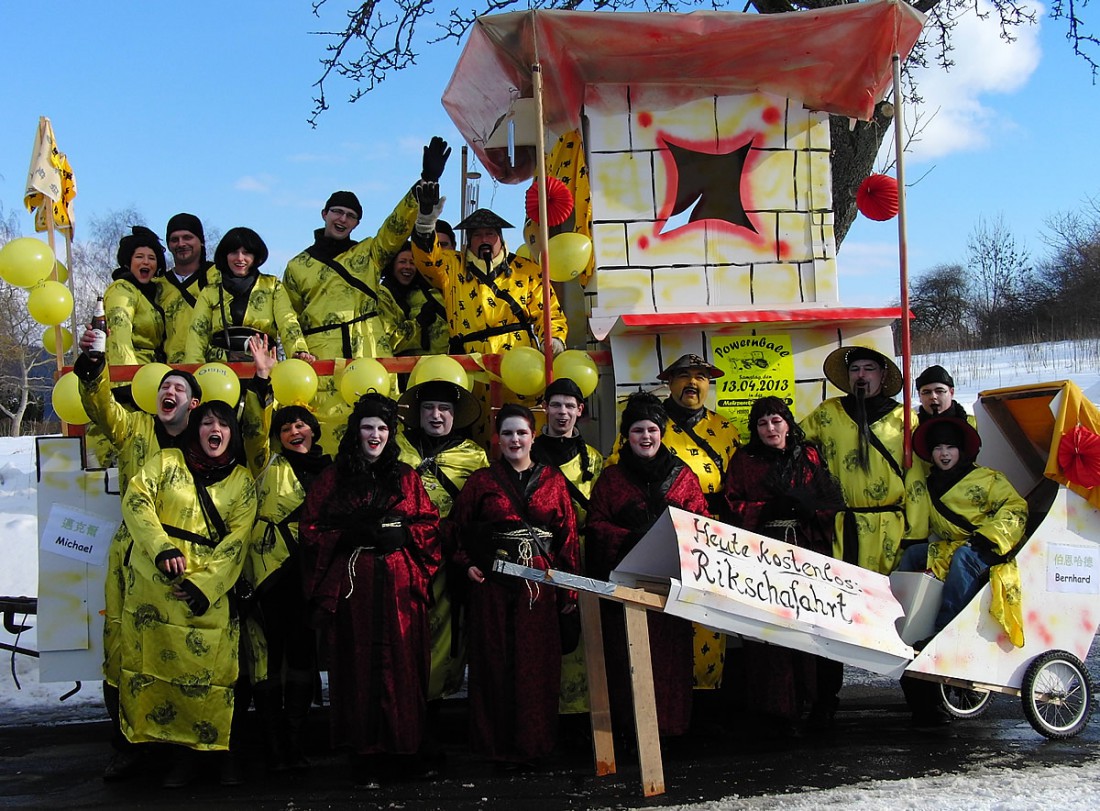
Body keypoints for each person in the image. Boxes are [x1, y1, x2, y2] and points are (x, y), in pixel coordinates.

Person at [74, 341, 203, 781]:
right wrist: (93, 365)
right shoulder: (133, 430)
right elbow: (99, 404)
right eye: (165, 386)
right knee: (123, 650)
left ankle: (184, 747)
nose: (169, 392)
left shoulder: (206, 440)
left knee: (181, 653)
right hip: (131, 558)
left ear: (194, 402)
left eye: (179, 388)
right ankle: (130, 745)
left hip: (185, 560)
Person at [299, 394, 440, 787]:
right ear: (355, 431)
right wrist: (348, 534)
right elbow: (310, 529)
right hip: (353, 590)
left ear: (390, 433)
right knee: (356, 666)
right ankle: (362, 752)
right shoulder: (334, 478)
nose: (374, 435)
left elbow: (430, 524)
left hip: (399, 588)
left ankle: (403, 748)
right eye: (367, 427)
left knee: (403, 667)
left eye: (381, 428)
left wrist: (402, 533)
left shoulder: (407, 477)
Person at [118, 400, 258, 788]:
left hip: (208, 592)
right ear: (195, 429)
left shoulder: (242, 480)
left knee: (215, 674)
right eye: (207, 423)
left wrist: (205, 586)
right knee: (160, 674)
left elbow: (238, 539)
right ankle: (171, 756)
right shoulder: (165, 462)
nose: (216, 430)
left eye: (224, 424)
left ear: (232, 433)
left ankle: (215, 756)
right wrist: (160, 546)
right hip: (156, 582)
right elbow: (136, 501)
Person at [283, 138, 451, 450]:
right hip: (322, 353)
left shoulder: (370, 253)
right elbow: (288, 313)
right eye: (337, 211)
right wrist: (298, 350)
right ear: (324, 213)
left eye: (350, 215)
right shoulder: (297, 266)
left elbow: (396, 227)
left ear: (357, 222)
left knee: (378, 426)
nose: (342, 219)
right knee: (328, 426)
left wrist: (425, 182)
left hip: (370, 347)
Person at [800, 345, 928, 726]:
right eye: (855, 368)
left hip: (890, 530)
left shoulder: (904, 420)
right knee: (830, 616)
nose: (860, 375)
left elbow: (916, 481)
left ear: (882, 376)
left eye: (869, 368)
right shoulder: (828, 415)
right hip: (842, 529)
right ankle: (825, 701)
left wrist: (914, 538)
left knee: (902, 619)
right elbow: (794, 445)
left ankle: (921, 700)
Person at [449, 404, 580, 769]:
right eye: (507, 433)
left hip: (539, 586)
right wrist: (467, 565)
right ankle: (494, 746)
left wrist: (568, 590)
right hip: (493, 583)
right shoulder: (482, 482)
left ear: (533, 436)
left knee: (537, 664)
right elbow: (457, 529)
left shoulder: (553, 481)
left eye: (521, 433)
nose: (514, 440)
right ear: (497, 438)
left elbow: (567, 538)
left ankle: (535, 744)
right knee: (494, 661)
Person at [609, 353, 741, 692]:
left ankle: (706, 698)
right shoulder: (650, 423)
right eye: (684, 376)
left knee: (709, 620)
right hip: (655, 533)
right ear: (669, 382)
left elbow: (738, 485)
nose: (692, 383)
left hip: (709, 535)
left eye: (700, 376)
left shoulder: (726, 429)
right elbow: (619, 470)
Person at [720, 396, 845, 737]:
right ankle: (775, 711)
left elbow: (830, 503)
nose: (770, 429)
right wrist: (766, 509)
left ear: (788, 424)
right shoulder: (744, 461)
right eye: (762, 423)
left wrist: (811, 510)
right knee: (769, 634)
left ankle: (818, 703)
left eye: (776, 421)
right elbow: (732, 504)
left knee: (812, 628)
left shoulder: (808, 456)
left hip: (807, 553)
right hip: (762, 556)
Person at [587, 392, 707, 738]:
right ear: (627, 436)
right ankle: (631, 732)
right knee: (629, 660)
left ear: (662, 432)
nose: (645, 437)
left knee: (669, 661)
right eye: (637, 430)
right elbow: (595, 526)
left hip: (669, 587)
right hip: (626, 586)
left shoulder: (683, 477)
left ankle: (670, 731)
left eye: (652, 429)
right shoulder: (611, 480)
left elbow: (699, 526)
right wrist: (628, 536)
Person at [410, 186, 568, 442]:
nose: (484, 239)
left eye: (490, 234)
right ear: (469, 240)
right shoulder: (452, 266)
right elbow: (428, 259)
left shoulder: (527, 270)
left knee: (522, 428)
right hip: (471, 364)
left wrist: (555, 340)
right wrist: (426, 222)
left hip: (520, 364)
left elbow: (549, 313)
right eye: (478, 234)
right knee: (472, 427)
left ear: (500, 238)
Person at [898, 417, 1027, 727]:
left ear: (961, 451)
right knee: (914, 554)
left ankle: (945, 630)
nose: (944, 454)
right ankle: (901, 623)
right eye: (938, 448)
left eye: (950, 447)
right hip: (956, 546)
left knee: (963, 560)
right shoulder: (927, 485)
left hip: (986, 549)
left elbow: (1016, 507)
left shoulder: (988, 479)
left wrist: (990, 534)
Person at [395, 378, 487, 761]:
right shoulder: (395, 445)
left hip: (448, 565)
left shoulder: (474, 456)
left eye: (445, 410)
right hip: (401, 562)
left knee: (444, 645)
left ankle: (430, 728)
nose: (437, 416)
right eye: (430, 408)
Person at [244, 400, 333, 771]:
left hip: (312, 572)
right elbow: (252, 433)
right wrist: (262, 387)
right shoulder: (267, 464)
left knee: (301, 652)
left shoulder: (333, 470)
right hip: (270, 571)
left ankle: (294, 738)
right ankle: (272, 740)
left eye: (301, 425)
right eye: (286, 428)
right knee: (267, 655)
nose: (295, 432)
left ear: (314, 430)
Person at [532, 376, 604, 719]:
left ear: (581, 411)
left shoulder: (594, 460)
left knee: (585, 639)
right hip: (541, 556)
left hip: (585, 558)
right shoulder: (527, 453)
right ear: (544, 408)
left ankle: (582, 717)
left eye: (569, 406)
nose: (562, 413)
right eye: (555, 405)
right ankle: (543, 713)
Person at [184, 227, 312, 364]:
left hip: (262, 367)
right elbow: (197, 332)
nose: (240, 258)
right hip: (219, 369)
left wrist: (298, 351)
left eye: (246, 253)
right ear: (225, 256)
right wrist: (194, 368)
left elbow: (287, 321)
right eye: (234, 252)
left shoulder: (272, 286)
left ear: (255, 256)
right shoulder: (211, 291)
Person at [160, 213, 220, 363]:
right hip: (172, 373)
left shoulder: (219, 276)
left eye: (187, 237)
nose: (181, 244)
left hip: (215, 368)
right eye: (174, 239)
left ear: (201, 241)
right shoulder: (159, 285)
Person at [381, 240, 449, 357]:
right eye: (402, 262)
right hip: (398, 368)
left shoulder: (420, 290)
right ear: (392, 265)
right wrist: (419, 323)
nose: (408, 267)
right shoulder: (383, 295)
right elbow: (388, 341)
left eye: (412, 263)